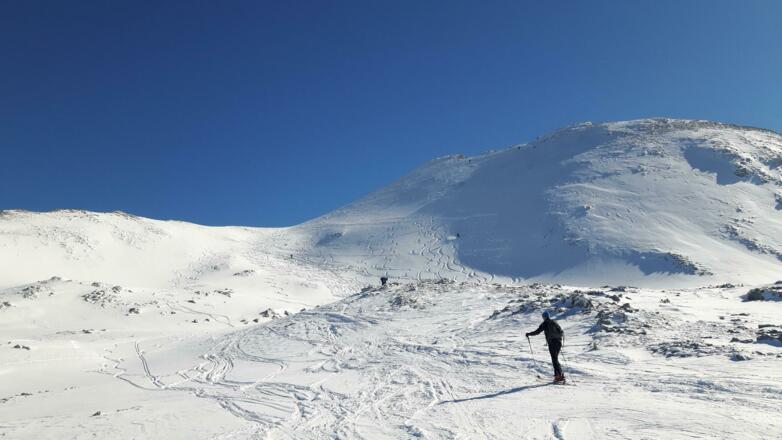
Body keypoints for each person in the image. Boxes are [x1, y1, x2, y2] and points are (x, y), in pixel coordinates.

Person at [526, 311, 565, 382]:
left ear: (544, 317)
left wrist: (529, 334)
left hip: (552, 343)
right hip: (559, 342)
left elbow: (537, 332)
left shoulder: (545, 323)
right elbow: (560, 331)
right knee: (555, 359)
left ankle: (558, 376)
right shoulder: (554, 322)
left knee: (554, 359)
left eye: (543, 317)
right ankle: (559, 375)